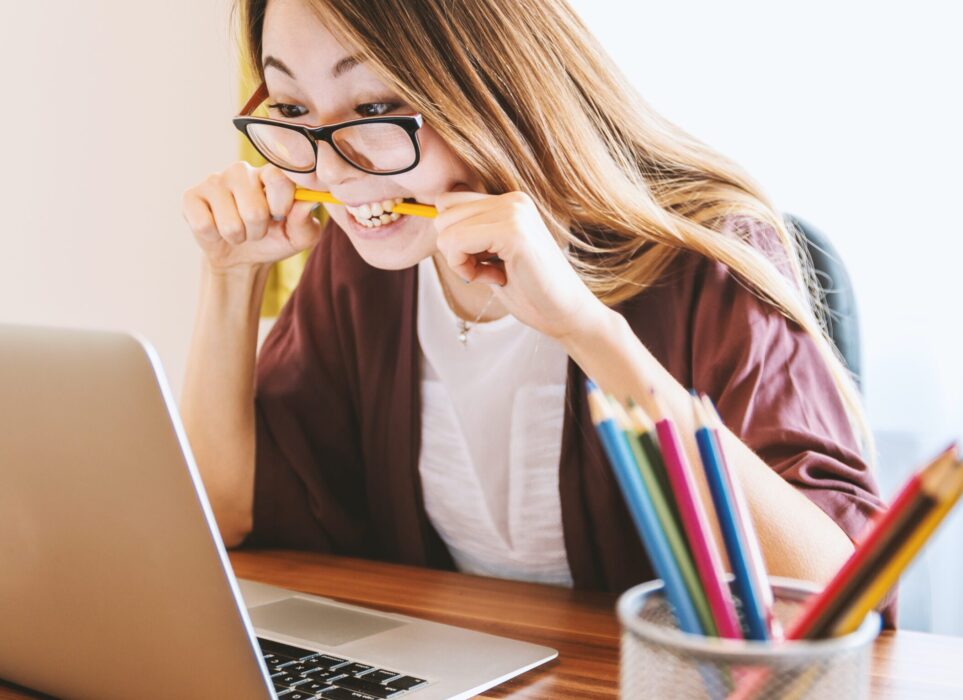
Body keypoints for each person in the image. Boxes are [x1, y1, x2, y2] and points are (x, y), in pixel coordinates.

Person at [179, 0, 888, 611]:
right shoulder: (366, 261)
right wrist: (230, 277)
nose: (331, 170)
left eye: (375, 108)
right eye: (294, 110)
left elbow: (836, 596)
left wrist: (585, 330)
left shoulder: (706, 256)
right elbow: (226, 512)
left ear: (498, 85)